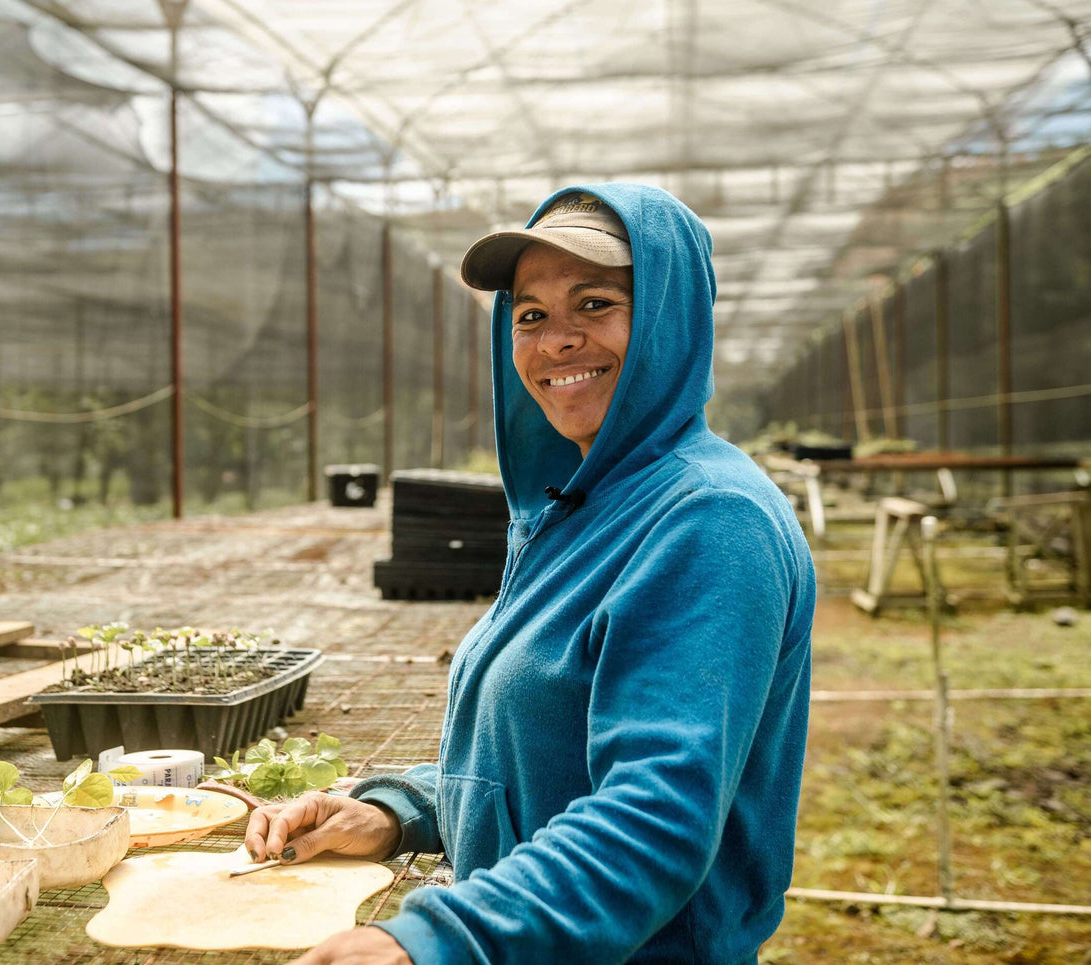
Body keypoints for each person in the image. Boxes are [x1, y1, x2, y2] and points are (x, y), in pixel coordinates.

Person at [244, 183, 815, 964]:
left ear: (668, 317)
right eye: (531, 314)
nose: (556, 342)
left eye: (596, 302)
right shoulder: (574, 508)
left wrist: (433, 941)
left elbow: (653, 816)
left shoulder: (708, 520)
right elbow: (542, 754)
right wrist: (398, 809)